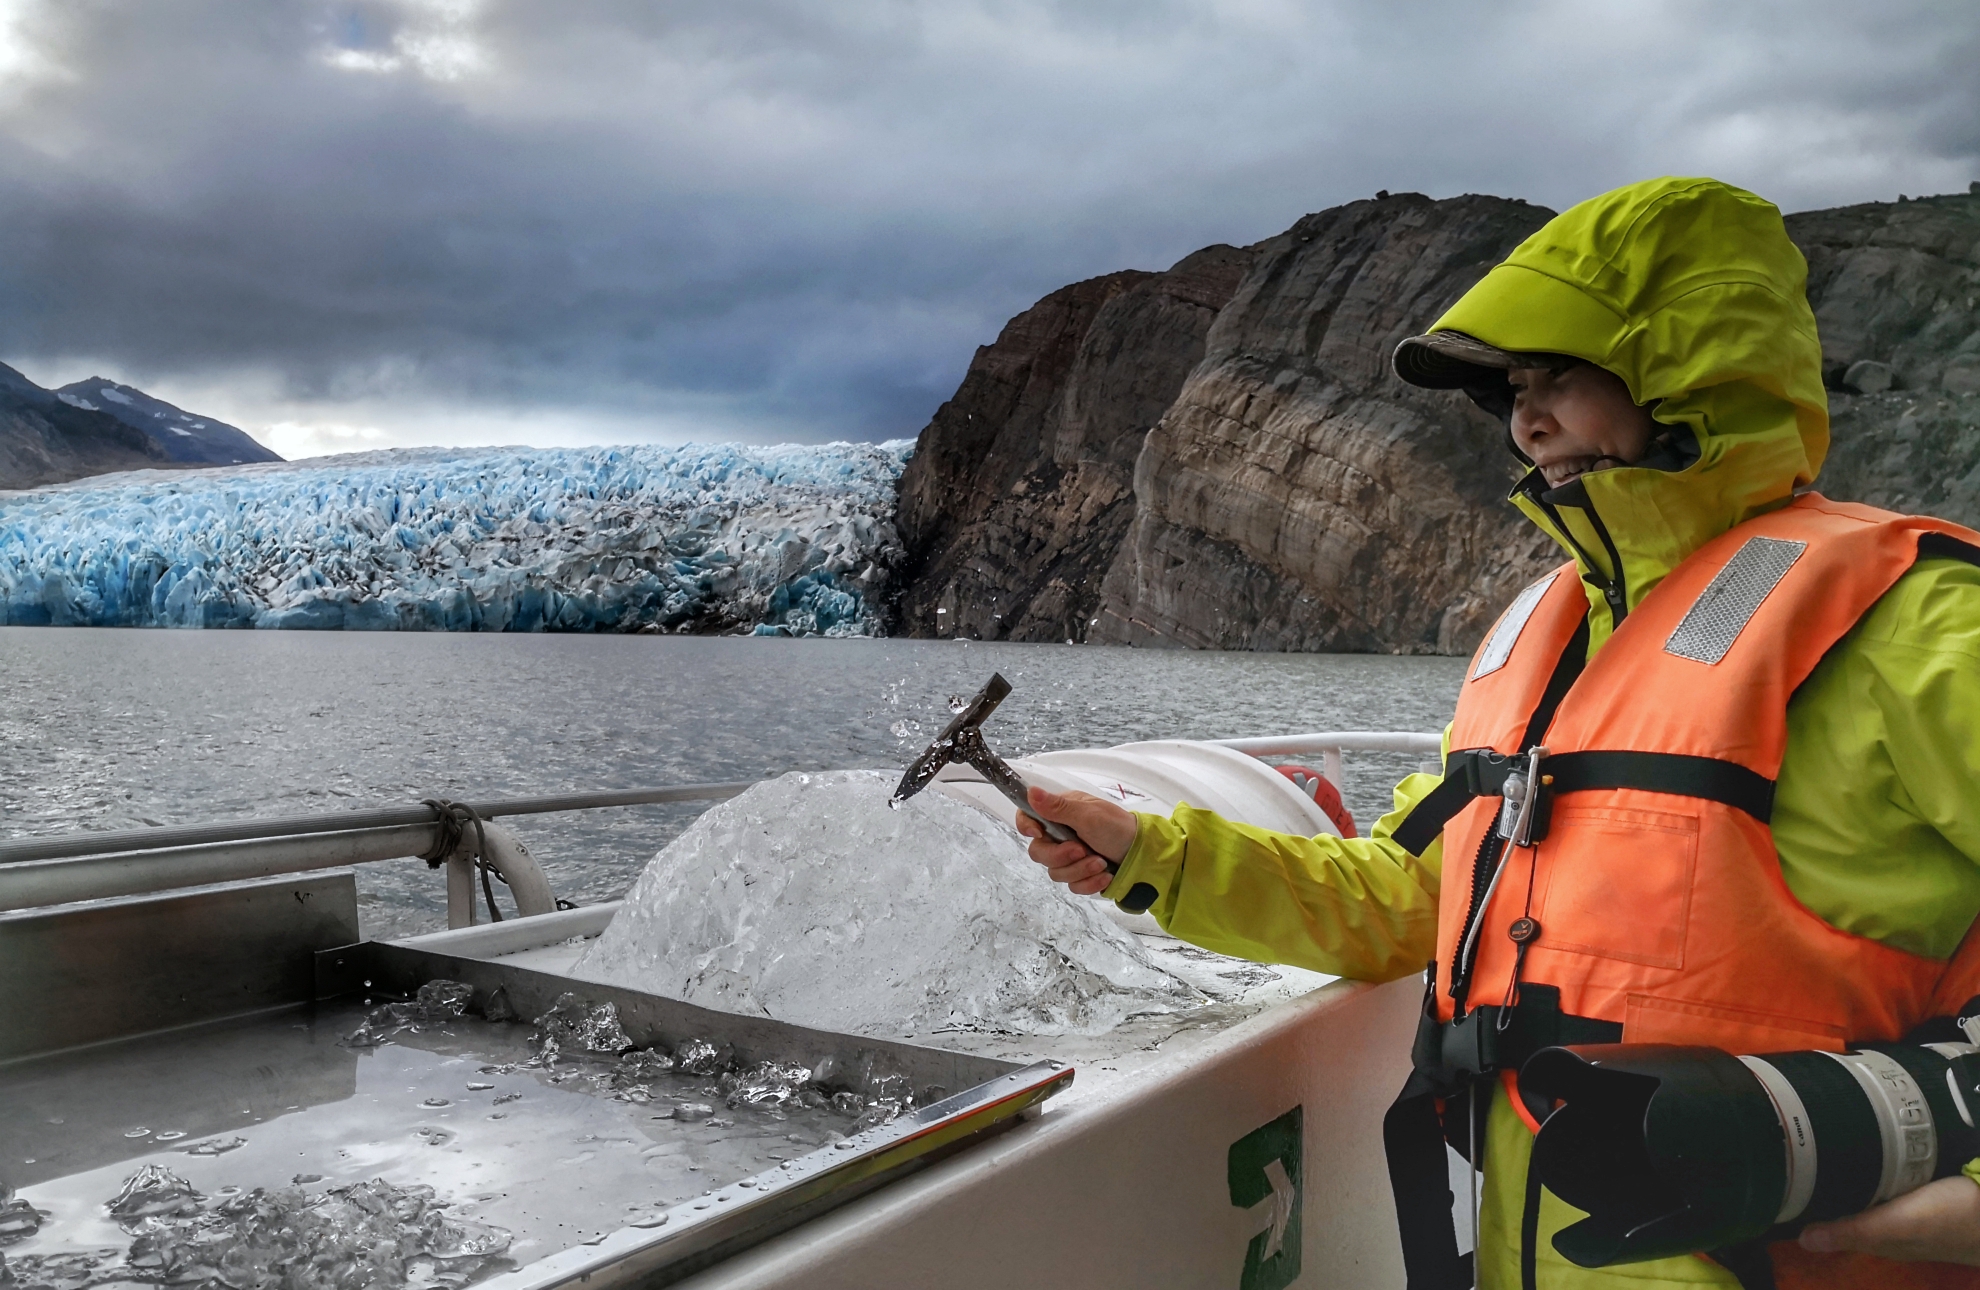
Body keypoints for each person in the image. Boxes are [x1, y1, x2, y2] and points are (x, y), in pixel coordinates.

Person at [1017, 176, 1980, 1289]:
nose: (1525, 418)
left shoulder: (1917, 619)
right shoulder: (1547, 632)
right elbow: (1409, 900)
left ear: (1694, 364)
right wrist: (1152, 853)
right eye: (1514, 388)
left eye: (1562, 372)